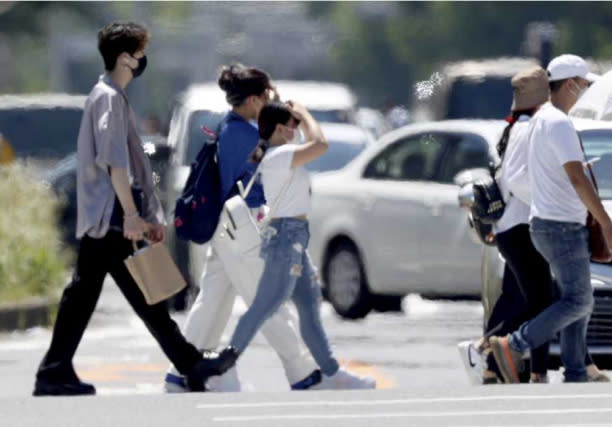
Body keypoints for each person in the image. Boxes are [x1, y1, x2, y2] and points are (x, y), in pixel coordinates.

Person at [33, 21, 211, 396]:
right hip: (110, 216)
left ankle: (55, 369)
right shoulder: (109, 98)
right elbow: (114, 161)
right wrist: (133, 215)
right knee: (133, 295)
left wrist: (141, 215)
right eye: (140, 52)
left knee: (97, 295)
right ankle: (189, 362)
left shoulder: (108, 95)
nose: (143, 59)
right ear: (125, 57)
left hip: (108, 216)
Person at [164, 64, 331, 392]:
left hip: (230, 228)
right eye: (267, 96)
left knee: (212, 303)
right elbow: (287, 150)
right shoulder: (243, 135)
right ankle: (301, 373)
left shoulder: (231, 128)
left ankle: (179, 372)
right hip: (242, 228)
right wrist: (288, 113)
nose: (271, 101)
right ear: (254, 99)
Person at [186, 102, 376, 391]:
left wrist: (290, 116)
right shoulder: (281, 154)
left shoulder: (279, 152)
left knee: (303, 306)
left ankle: (327, 373)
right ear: (279, 129)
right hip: (285, 237)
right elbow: (320, 144)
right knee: (267, 309)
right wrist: (306, 114)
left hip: (292, 236)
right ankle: (224, 363)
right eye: (292, 125)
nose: (296, 128)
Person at [457, 66, 608, 385]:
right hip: (522, 226)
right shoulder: (530, 127)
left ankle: (508, 364)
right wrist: (550, 194)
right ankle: (496, 355)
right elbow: (516, 179)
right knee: (549, 300)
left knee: (537, 298)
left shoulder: (521, 126)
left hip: (519, 226)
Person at [487, 54, 612, 384]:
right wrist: (606, 223)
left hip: (547, 223)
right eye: (584, 84)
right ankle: (512, 345)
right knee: (579, 300)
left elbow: (552, 174)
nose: (586, 90)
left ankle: (576, 370)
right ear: (570, 84)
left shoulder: (540, 119)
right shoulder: (559, 123)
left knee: (574, 298)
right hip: (562, 226)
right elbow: (578, 179)